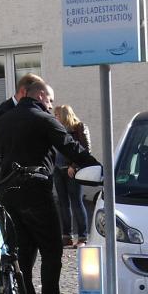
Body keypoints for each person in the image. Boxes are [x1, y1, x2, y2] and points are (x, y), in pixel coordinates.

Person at [0, 78, 98, 294]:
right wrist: (98, 169)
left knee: (23, 253)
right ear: (39, 96)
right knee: (51, 249)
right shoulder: (44, 119)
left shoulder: (2, 120)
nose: (51, 105)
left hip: (9, 194)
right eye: (49, 100)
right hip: (36, 192)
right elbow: (70, 147)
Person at [0, 72, 43, 182]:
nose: (39, 99)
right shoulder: (4, 112)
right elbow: (0, 147)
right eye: (36, 95)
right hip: (5, 173)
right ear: (24, 92)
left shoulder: (21, 110)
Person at [52, 104, 91, 247]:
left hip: (73, 171)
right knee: (63, 204)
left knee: (77, 202)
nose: (54, 117)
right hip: (58, 169)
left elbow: (85, 150)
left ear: (64, 115)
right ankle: (67, 236)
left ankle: (82, 237)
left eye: (56, 114)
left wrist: (73, 165)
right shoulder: (56, 129)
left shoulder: (78, 128)